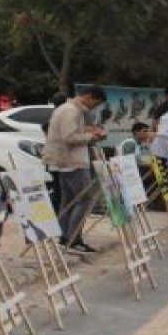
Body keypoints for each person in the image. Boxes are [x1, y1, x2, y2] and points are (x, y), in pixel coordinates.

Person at [43, 86, 107, 253]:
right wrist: (92, 136)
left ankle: (66, 237)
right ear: (90, 97)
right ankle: (74, 238)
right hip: (72, 162)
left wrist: (90, 131)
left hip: (66, 162)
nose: (94, 106)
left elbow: (71, 132)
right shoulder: (71, 110)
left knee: (69, 200)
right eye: (96, 102)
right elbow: (69, 137)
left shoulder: (69, 109)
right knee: (85, 199)